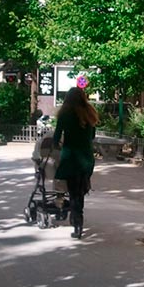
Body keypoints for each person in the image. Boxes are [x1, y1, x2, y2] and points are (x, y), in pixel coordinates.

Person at [53, 87, 98, 239]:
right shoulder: (89, 112)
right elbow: (92, 136)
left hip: (71, 158)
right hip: (86, 158)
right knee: (80, 191)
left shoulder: (65, 113)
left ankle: (77, 222)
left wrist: (57, 146)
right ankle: (77, 218)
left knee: (73, 192)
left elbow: (56, 137)